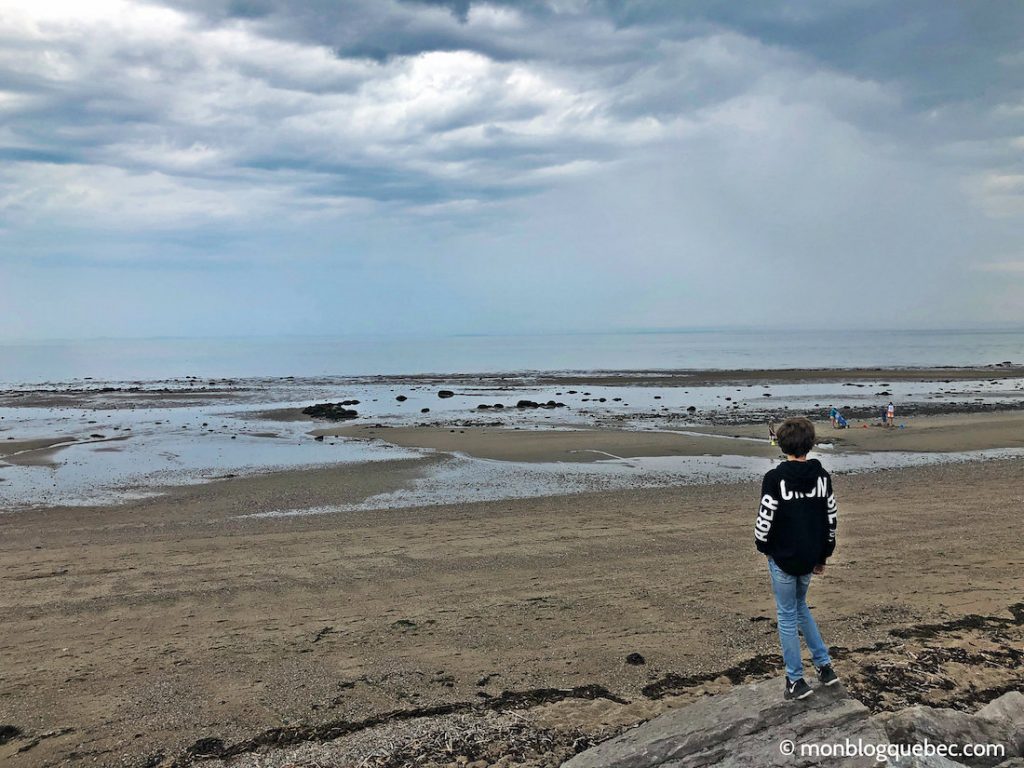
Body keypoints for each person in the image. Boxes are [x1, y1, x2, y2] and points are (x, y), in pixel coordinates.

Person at [753, 416, 839, 700]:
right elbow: (831, 519)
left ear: (781, 444)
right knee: (800, 607)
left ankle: (795, 680)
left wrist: (763, 545)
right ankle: (825, 667)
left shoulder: (775, 479)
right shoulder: (822, 478)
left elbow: (765, 518)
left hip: (784, 558)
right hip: (810, 555)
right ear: (811, 445)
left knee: (787, 616)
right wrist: (824, 555)